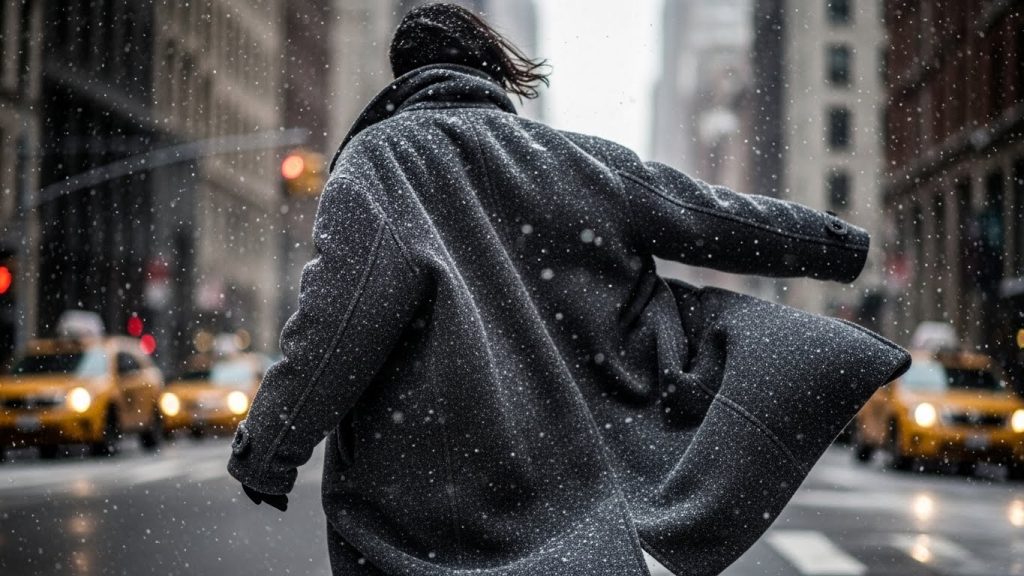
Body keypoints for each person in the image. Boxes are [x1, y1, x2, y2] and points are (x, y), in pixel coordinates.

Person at [227, 4, 911, 575]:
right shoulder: (573, 161)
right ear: (492, 70)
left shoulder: (380, 162)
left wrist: (269, 450)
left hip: (418, 517)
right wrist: (840, 246)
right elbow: (713, 217)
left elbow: (335, 324)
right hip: (574, 511)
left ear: (403, 75)